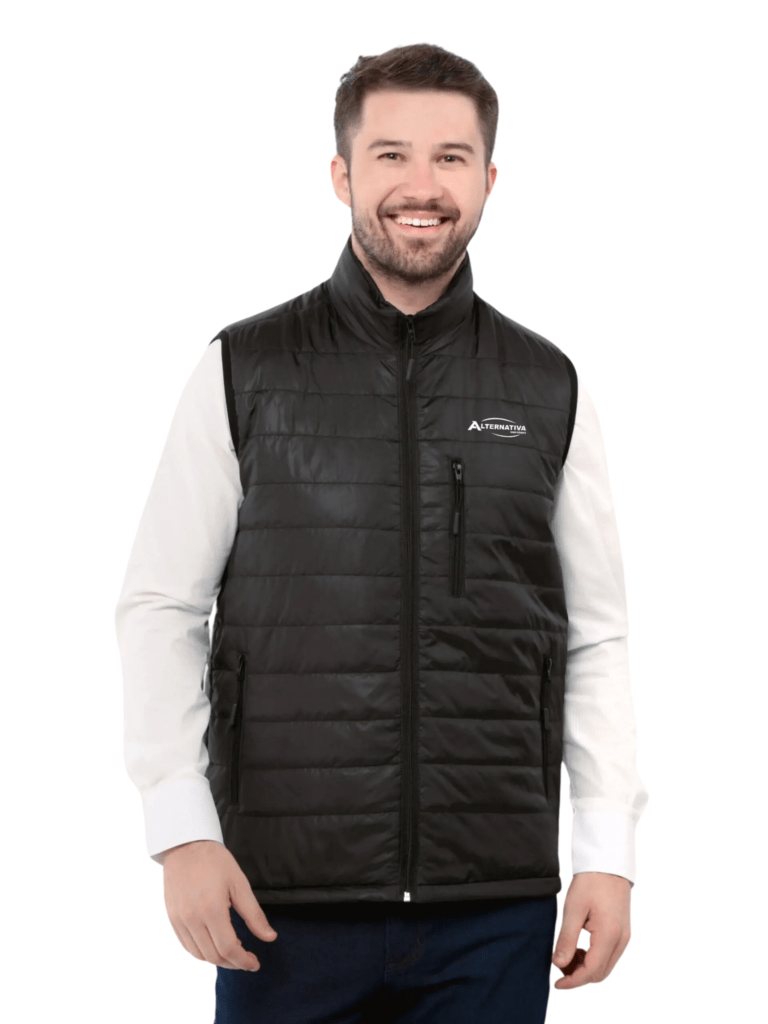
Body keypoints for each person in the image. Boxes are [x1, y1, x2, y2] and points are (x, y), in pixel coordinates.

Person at [115, 42, 649, 1024]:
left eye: (451, 157)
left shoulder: (546, 386)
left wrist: (607, 851)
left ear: (489, 180)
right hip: (281, 903)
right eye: (391, 153)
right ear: (342, 174)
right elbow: (160, 606)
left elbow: (596, 632)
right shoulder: (245, 368)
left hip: (494, 907)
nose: (421, 185)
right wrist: (180, 829)